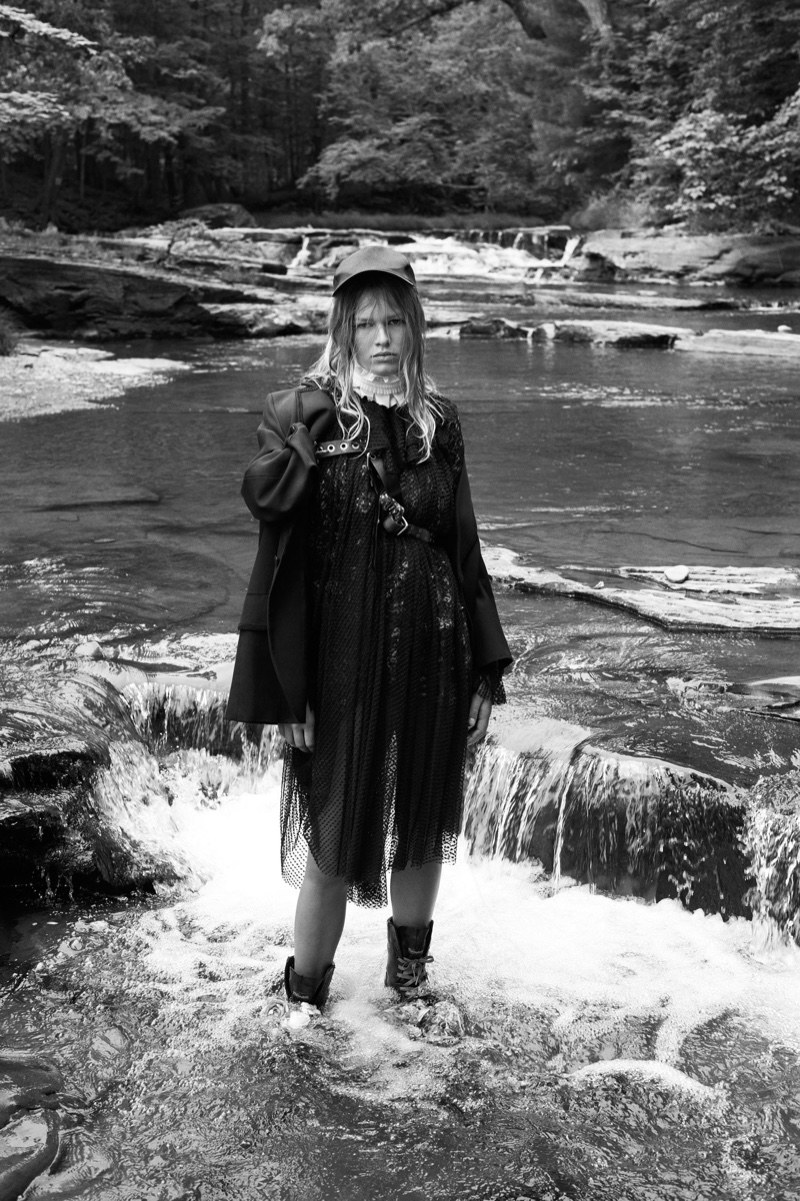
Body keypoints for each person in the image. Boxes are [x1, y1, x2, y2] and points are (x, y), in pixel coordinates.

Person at [226, 246, 511, 1019]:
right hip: (340, 660)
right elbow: (283, 566)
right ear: (343, 328)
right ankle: (303, 999)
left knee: (422, 819)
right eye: (366, 322)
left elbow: (464, 545)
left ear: (415, 327)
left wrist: (487, 668)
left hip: (433, 646)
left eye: (395, 320)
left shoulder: (439, 423)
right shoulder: (306, 414)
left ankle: (409, 980)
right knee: (332, 836)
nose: (382, 336)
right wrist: (291, 690)